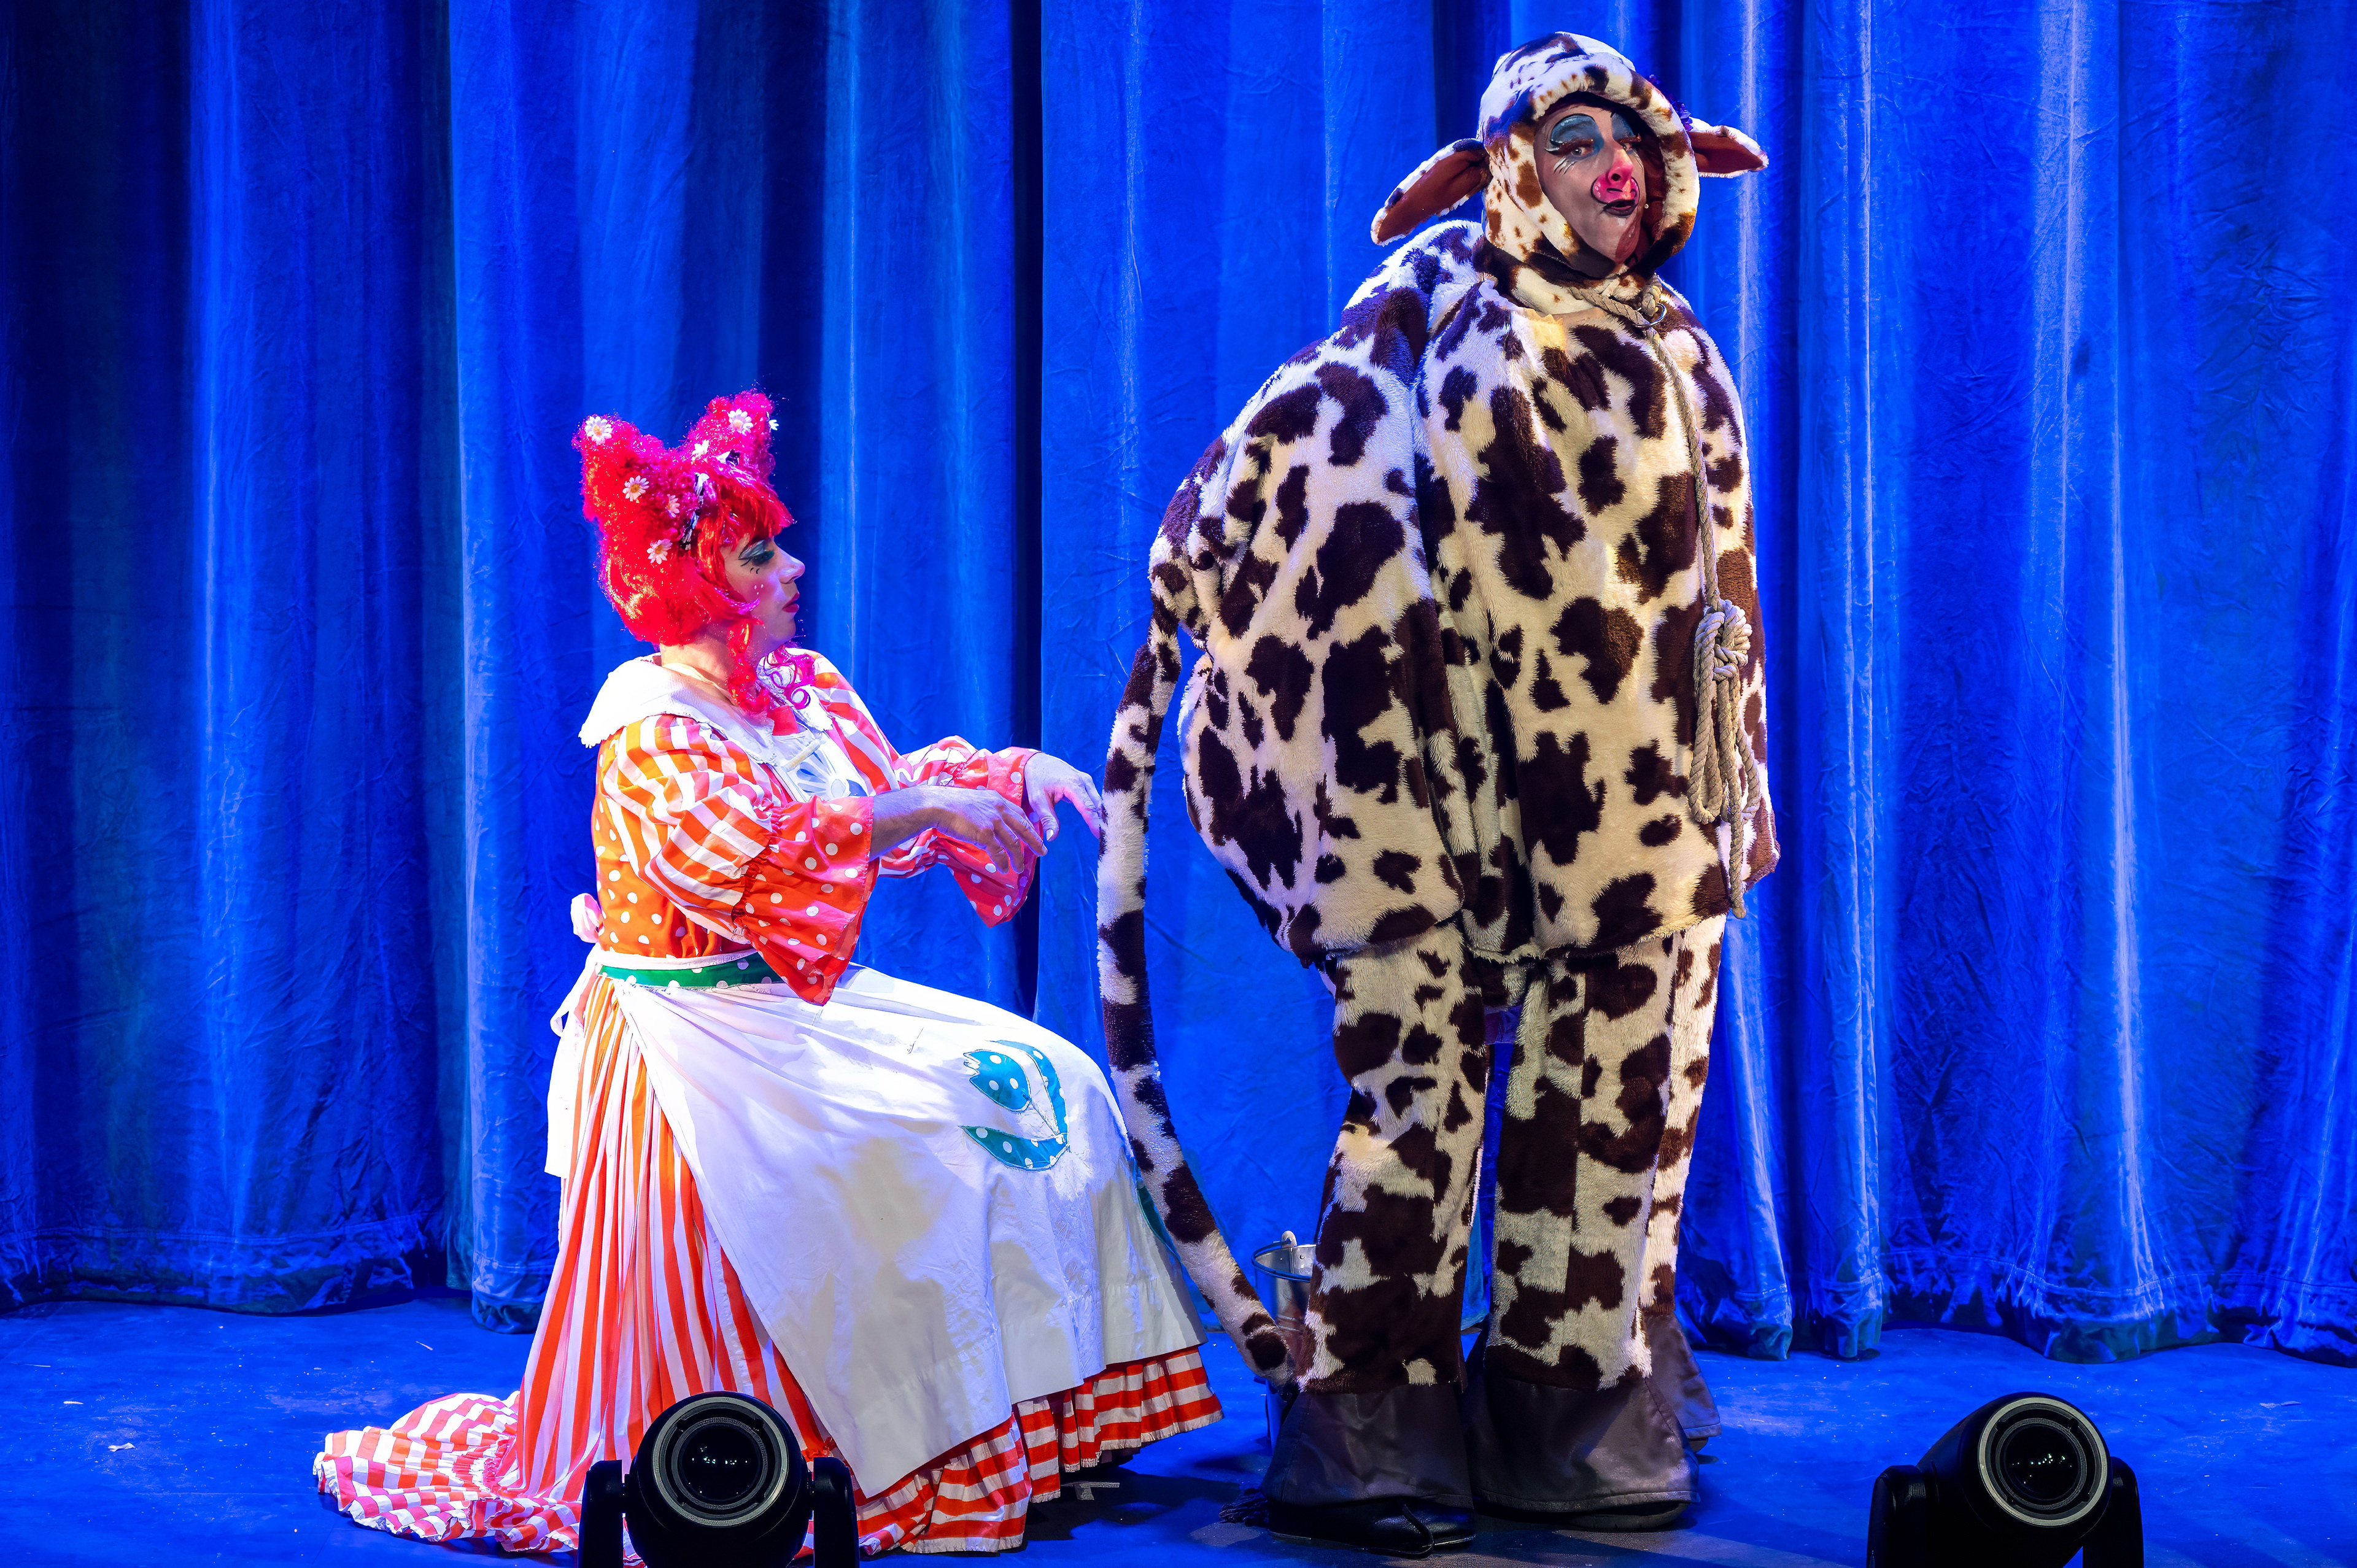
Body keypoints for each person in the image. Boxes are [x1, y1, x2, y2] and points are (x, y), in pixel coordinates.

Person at [317, 390, 1215, 1557]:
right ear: (692, 583)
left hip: (794, 1007)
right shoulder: (652, 731)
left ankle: (1037, 1428)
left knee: (1049, 1084)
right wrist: (915, 809)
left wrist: (1003, 777)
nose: (790, 568)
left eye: (776, 546)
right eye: (757, 554)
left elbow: (884, 784)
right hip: (696, 1041)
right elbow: (745, 858)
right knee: (909, 1155)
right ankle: (834, 1446)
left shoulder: (801, 688)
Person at [1094, 33, 1775, 1556]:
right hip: (1437, 819)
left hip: (1642, 833)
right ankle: (1372, 1432)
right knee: (1418, 1115)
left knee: (1615, 1130)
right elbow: (1309, 483)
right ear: (1507, 167)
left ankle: (1570, 1415)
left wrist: (1726, 814)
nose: (1615, 169)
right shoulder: (1432, 322)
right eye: (1575, 140)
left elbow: (1719, 607)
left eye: (1632, 142)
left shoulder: (1682, 354)